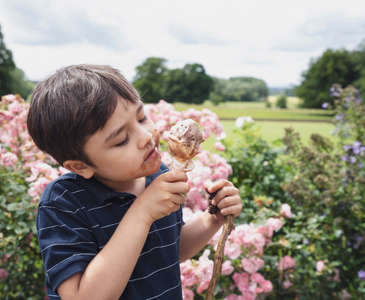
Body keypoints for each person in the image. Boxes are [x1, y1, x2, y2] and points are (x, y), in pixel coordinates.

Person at [27, 64, 242, 300]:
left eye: (141, 118)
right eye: (121, 140)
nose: (146, 136)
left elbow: (171, 250)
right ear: (81, 166)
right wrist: (141, 213)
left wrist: (212, 218)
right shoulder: (64, 202)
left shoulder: (159, 176)